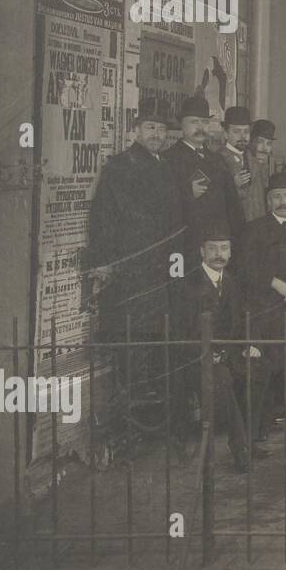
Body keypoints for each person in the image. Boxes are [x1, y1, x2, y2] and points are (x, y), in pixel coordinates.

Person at [86, 98, 184, 423]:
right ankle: (134, 412)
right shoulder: (121, 166)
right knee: (133, 335)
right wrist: (103, 262)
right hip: (133, 267)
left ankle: (150, 414)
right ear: (136, 130)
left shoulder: (165, 165)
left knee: (155, 334)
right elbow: (103, 219)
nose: (157, 134)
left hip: (160, 267)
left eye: (161, 129)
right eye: (150, 127)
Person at [175, 224, 268, 473]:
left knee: (258, 370)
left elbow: (246, 317)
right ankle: (240, 448)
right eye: (213, 249)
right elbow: (184, 330)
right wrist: (208, 353)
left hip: (227, 353)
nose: (219, 254)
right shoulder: (189, 284)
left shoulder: (232, 282)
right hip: (195, 359)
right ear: (201, 252)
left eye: (224, 248)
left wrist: (251, 343)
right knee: (223, 379)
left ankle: (251, 436)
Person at [241, 171, 286, 434]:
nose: (283, 202)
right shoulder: (254, 229)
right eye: (277, 197)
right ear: (268, 201)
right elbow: (246, 267)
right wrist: (275, 282)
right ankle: (264, 419)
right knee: (268, 364)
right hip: (266, 305)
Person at [163, 93, 245, 268]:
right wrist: (186, 193)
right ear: (181, 125)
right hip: (185, 249)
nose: (200, 127)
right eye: (194, 122)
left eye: (204, 122)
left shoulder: (217, 159)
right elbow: (160, 209)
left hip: (217, 252)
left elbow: (233, 208)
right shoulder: (168, 160)